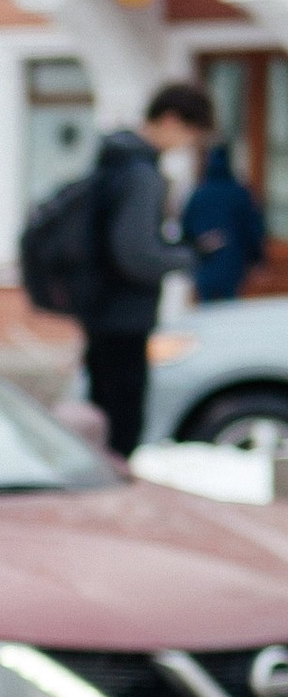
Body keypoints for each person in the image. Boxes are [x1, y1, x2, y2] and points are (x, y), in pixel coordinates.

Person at [76, 81, 206, 455]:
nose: (187, 145)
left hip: (101, 307)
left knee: (101, 416)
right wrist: (188, 256)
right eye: (190, 134)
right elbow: (137, 255)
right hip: (125, 314)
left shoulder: (114, 160)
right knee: (122, 423)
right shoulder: (142, 174)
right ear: (170, 120)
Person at [182, 126, 270, 304]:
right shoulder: (240, 193)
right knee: (230, 311)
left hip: (205, 262)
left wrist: (195, 248)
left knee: (207, 309)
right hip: (233, 262)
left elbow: (186, 227)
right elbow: (253, 229)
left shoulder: (199, 193)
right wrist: (258, 259)